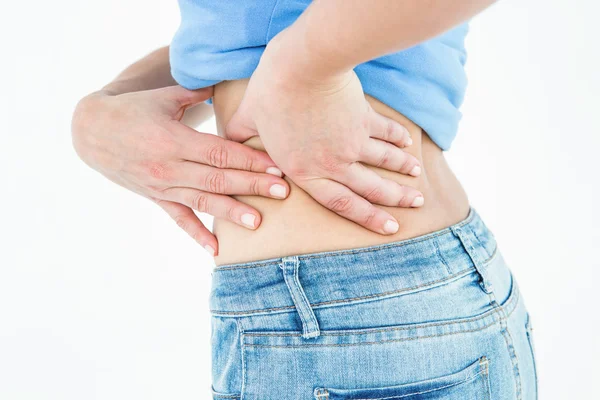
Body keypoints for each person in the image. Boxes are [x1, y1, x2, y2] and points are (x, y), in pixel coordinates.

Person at [71, 0, 538, 398]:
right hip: (401, 296)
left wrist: (300, 70)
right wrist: (106, 109)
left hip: (342, 317)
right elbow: (252, 25)